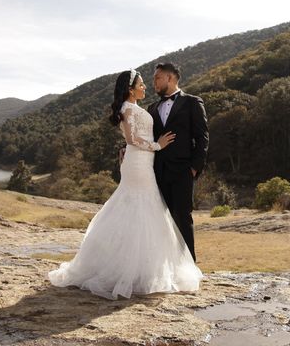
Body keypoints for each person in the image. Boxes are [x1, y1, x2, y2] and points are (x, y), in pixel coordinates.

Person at [48, 69, 202, 300]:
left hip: (145, 162)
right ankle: (134, 270)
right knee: (142, 207)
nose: (146, 87)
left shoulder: (139, 107)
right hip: (139, 164)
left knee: (144, 208)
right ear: (131, 89)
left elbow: (136, 138)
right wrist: (157, 146)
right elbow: (131, 139)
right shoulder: (128, 108)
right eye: (141, 84)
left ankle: (143, 267)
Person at [147, 63, 209, 261]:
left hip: (183, 170)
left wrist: (194, 168)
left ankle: (189, 266)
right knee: (161, 220)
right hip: (158, 172)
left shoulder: (192, 102)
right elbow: (145, 137)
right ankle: (164, 265)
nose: (154, 82)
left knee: (183, 218)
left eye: (158, 78)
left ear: (171, 78)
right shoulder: (152, 107)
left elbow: (202, 137)